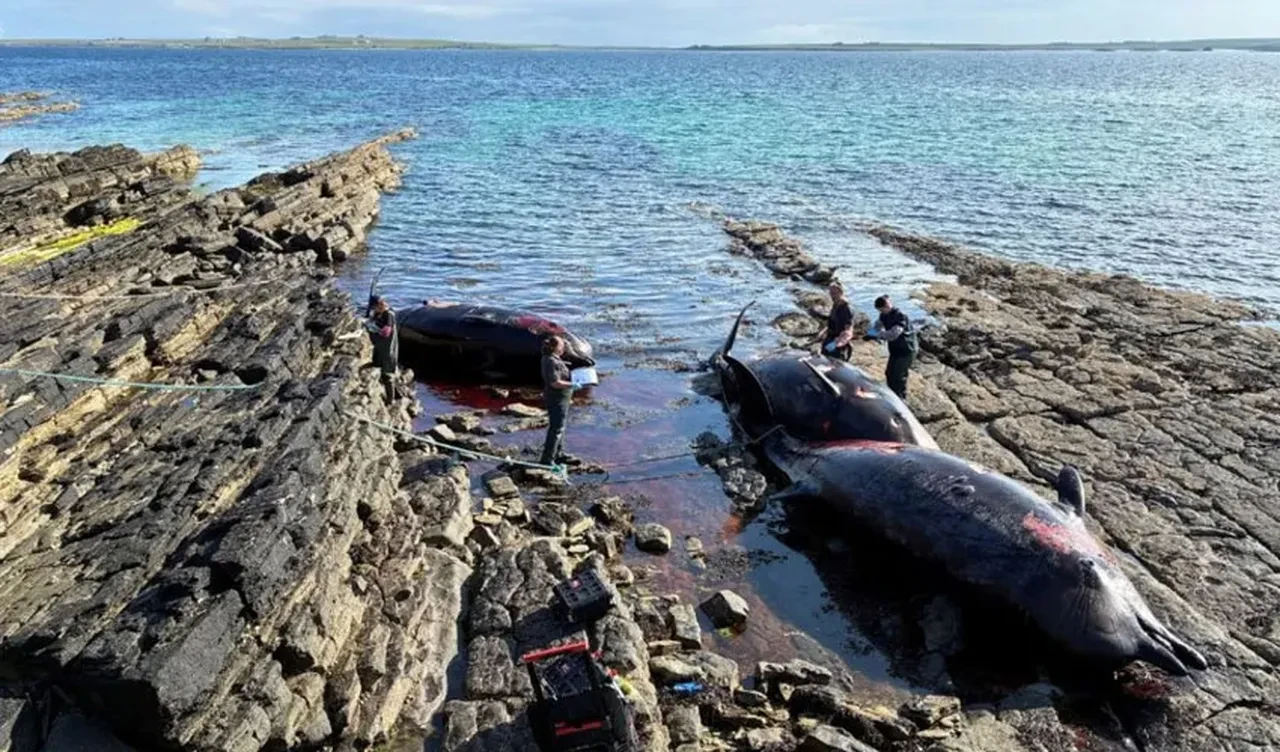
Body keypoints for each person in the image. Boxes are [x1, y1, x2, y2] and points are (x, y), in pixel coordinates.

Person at [864, 295, 918, 400]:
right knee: (889, 373)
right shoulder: (883, 315)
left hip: (907, 349)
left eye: (882, 309)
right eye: (880, 310)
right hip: (895, 350)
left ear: (886, 306)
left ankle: (900, 398)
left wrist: (878, 334)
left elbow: (893, 335)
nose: (881, 311)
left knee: (898, 376)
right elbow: (877, 326)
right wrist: (870, 334)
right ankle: (892, 395)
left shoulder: (900, 316)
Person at [540, 334, 574, 466]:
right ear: (555, 347)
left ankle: (558, 454)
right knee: (556, 428)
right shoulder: (551, 361)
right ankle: (547, 459)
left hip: (562, 398)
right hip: (556, 398)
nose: (563, 348)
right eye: (562, 346)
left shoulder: (553, 358)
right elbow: (555, 382)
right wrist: (573, 385)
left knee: (560, 427)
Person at [368, 295, 399, 402]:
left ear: (380, 304)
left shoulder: (389, 315)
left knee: (388, 375)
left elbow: (386, 332)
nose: (374, 309)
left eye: (375, 307)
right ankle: (396, 394)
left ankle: (391, 400)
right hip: (380, 348)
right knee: (379, 366)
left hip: (388, 348)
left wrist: (374, 329)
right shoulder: (379, 314)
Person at [817, 281, 855, 361]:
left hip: (837, 340)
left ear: (841, 292)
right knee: (824, 359)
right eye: (830, 293)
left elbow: (848, 329)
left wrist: (839, 342)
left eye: (834, 293)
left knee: (834, 363)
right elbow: (832, 321)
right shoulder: (835, 304)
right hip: (830, 337)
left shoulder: (846, 308)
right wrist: (823, 332)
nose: (832, 295)